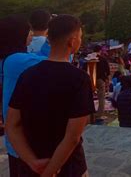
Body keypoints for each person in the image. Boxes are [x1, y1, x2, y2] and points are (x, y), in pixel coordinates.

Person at [6, 15, 95, 176]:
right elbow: (72, 137)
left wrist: (32, 161)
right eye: (80, 37)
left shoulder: (27, 75)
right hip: (69, 166)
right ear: (72, 41)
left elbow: (12, 126)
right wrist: (50, 171)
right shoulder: (79, 79)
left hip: (34, 164)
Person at [1, 15, 49, 175]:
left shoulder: (8, 58)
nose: (32, 34)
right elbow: (54, 63)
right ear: (17, 34)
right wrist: (55, 38)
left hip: (14, 140)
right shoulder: (16, 60)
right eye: (28, 31)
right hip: (25, 138)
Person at [95, 45, 111, 119]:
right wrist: (107, 80)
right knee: (101, 97)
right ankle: (99, 115)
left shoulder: (87, 59)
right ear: (100, 50)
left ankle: (89, 114)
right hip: (100, 79)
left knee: (88, 97)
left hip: (89, 80)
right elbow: (107, 71)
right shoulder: (102, 59)